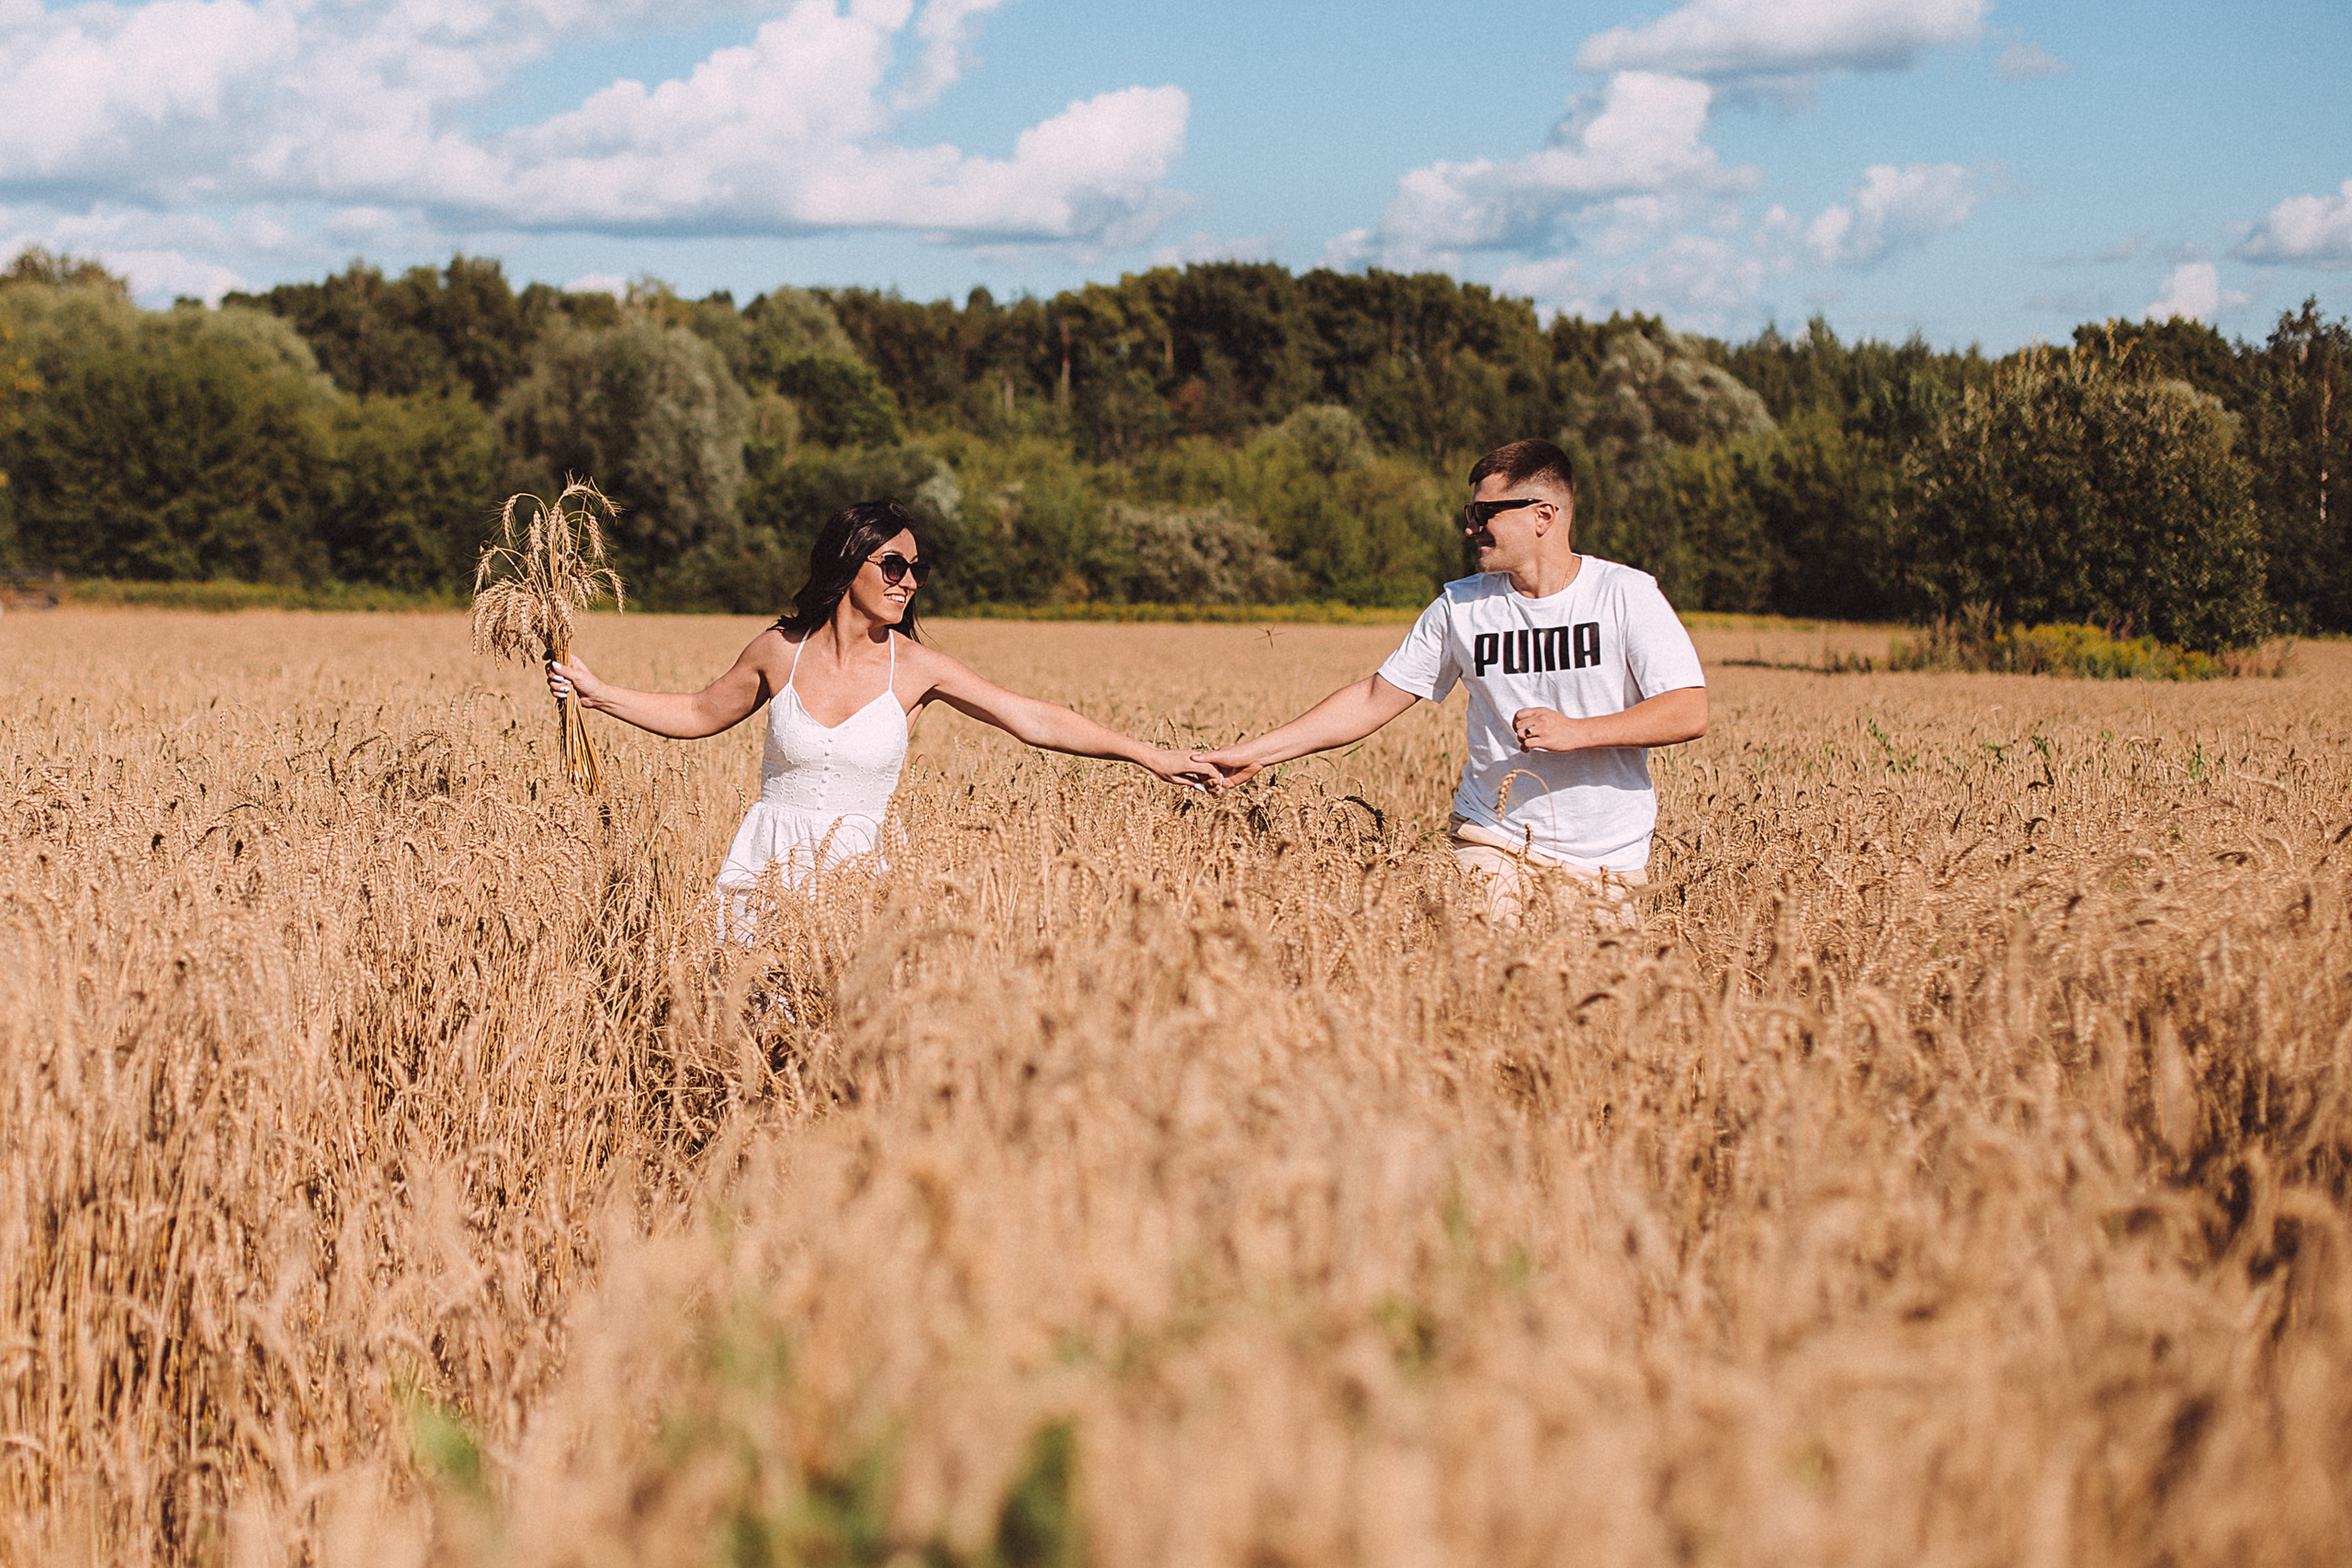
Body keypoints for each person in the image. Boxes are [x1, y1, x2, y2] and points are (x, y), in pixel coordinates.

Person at [547, 499, 1216, 924]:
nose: (909, 582)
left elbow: (1031, 719)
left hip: (855, 883)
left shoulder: (917, 668)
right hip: (762, 869)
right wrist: (597, 693)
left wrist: (1150, 755)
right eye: (894, 565)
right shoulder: (779, 651)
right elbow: (698, 712)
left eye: (916, 569)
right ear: (850, 562)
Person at [1193, 438, 1708, 921]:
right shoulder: (1461, 606)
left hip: (1608, 861)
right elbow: (1373, 697)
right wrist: (1254, 754)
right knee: (1485, 970)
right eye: (1470, 514)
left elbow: (1688, 710)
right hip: (1493, 839)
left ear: (1543, 516)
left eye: (1485, 514)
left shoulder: (1625, 594)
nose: (1471, 528)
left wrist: (1579, 731)